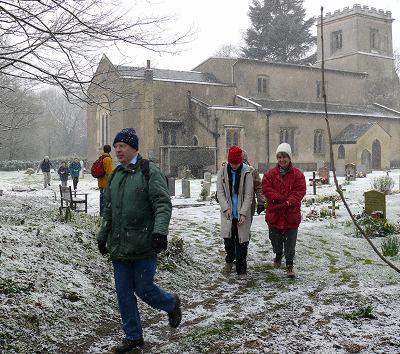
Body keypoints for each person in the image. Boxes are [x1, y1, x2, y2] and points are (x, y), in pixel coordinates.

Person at [96, 128, 181, 352]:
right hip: (119, 246)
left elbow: (162, 203)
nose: (118, 150)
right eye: (116, 147)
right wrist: (102, 235)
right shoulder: (115, 175)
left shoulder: (148, 171)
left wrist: (160, 232)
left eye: (122, 146)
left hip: (144, 244)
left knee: (143, 288)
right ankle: (133, 337)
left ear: (134, 147)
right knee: (123, 292)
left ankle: (171, 303)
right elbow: (109, 210)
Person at [262, 143, 306, 278]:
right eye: (280, 157)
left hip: (290, 214)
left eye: (285, 157)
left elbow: (300, 190)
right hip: (275, 213)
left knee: (290, 242)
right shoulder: (269, 174)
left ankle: (289, 264)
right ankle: (278, 254)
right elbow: (266, 189)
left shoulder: (297, 174)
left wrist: (290, 201)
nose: (282, 160)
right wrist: (280, 198)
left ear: (290, 158)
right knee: (275, 239)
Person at [216, 145, 253, 279]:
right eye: (232, 163)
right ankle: (229, 260)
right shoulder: (222, 171)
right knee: (228, 240)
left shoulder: (247, 172)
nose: (234, 166)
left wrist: (243, 213)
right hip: (228, 213)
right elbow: (220, 192)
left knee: (242, 242)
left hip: (242, 213)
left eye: (237, 163)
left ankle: (241, 269)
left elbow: (249, 195)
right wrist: (226, 208)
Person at [242, 150, 266, 220]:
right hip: (233, 206)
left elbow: (258, 187)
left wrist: (261, 202)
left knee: (245, 228)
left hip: (249, 205)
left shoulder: (252, 171)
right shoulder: (230, 170)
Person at [97, 145, 113, 216]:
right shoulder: (107, 159)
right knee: (105, 198)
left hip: (100, 181)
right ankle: (103, 213)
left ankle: (102, 212)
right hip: (105, 182)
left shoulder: (101, 157)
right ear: (110, 150)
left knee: (102, 197)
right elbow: (109, 172)